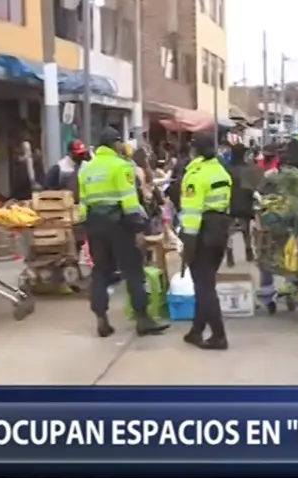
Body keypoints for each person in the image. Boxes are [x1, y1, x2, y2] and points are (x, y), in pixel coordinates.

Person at [78, 126, 169, 338]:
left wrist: (87, 225)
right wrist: (137, 228)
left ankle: (101, 317)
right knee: (133, 271)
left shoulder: (87, 169)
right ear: (114, 143)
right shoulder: (122, 166)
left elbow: (82, 203)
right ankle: (143, 319)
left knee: (100, 270)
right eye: (120, 142)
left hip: (94, 224)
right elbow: (129, 201)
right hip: (119, 225)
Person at [179, 131, 233, 350]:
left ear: (195, 149)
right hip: (220, 231)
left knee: (204, 287)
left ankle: (219, 335)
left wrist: (188, 242)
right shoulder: (221, 171)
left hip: (201, 232)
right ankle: (196, 331)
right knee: (206, 282)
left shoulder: (195, 176)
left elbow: (192, 213)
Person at [225, 143, 263, 266]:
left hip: (230, 203)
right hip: (245, 202)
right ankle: (249, 252)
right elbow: (254, 188)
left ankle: (230, 256)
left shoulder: (227, 169)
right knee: (245, 229)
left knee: (229, 230)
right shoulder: (249, 169)